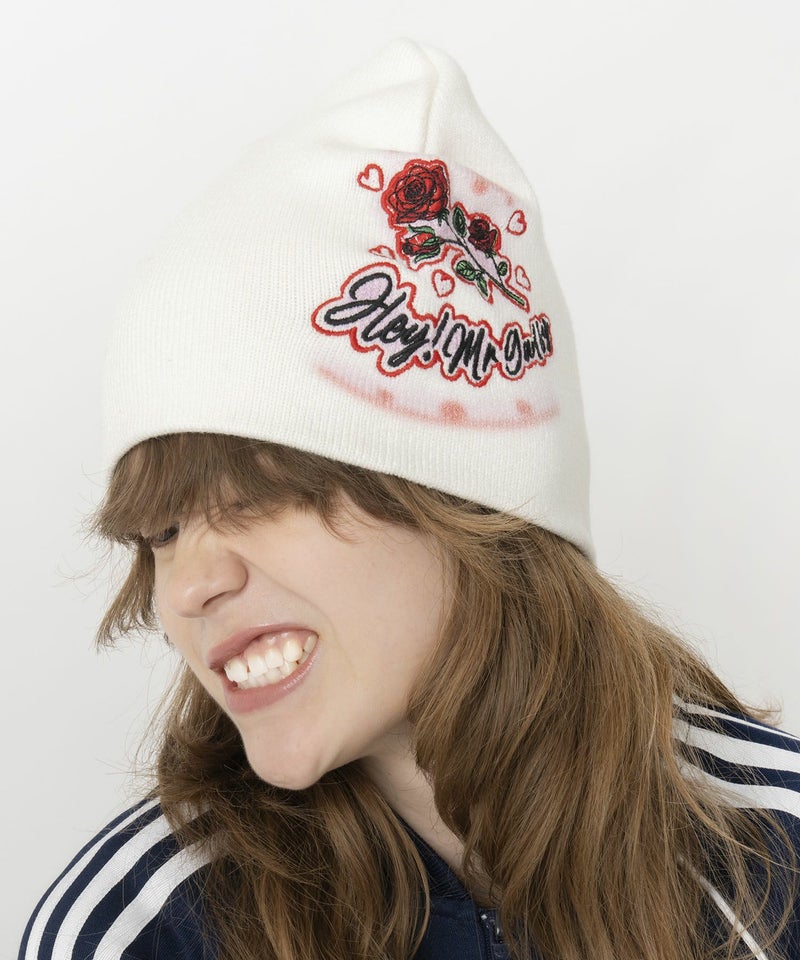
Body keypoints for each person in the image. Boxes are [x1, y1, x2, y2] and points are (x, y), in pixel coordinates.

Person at [19, 38, 800, 960]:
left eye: (258, 496)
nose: (187, 587)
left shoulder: (777, 865)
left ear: (464, 501)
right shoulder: (137, 934)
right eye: (160, 532)